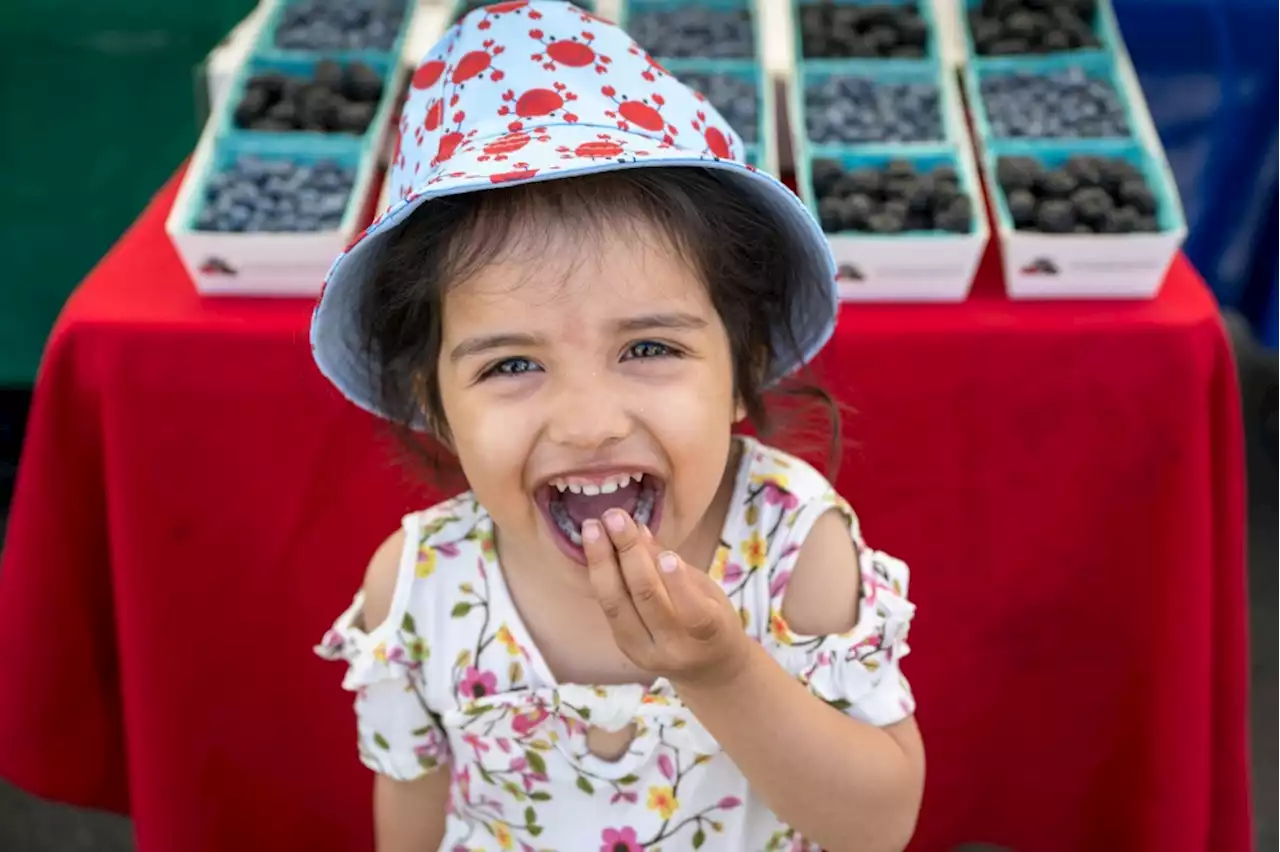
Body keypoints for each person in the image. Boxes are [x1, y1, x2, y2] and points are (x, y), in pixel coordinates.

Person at [312, 3, 924, 850]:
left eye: (647, 346)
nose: (590, 423)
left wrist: (725, 671)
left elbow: (879, 827)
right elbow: (411, 814)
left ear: (741, 367)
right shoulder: (419, 586)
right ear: (436, 404)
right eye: (511, 365)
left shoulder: (792, 549)